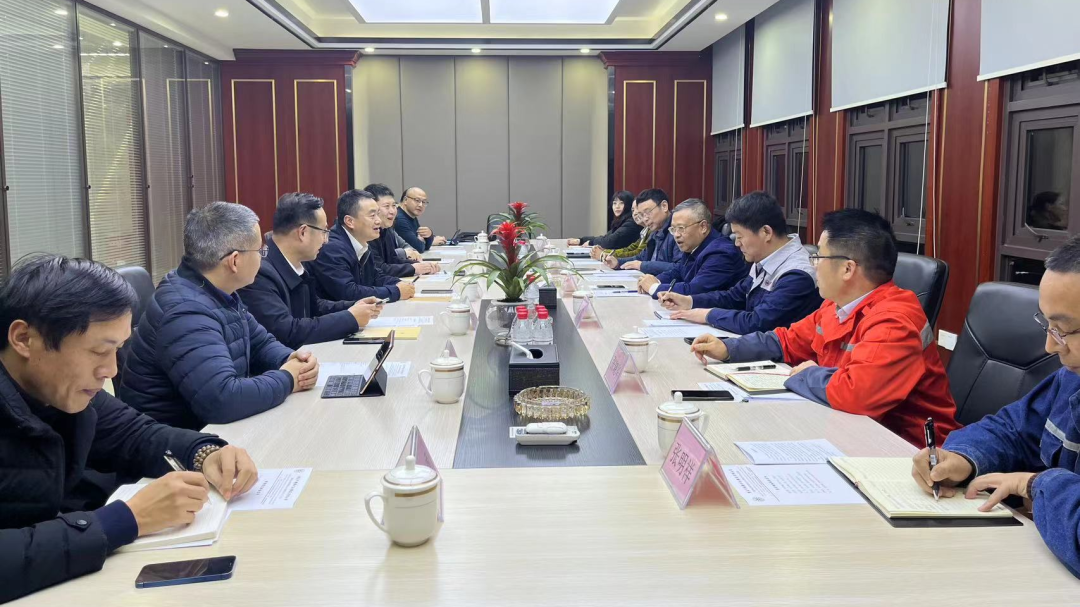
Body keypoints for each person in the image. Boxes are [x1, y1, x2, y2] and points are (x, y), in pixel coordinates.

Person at [0, 255, 260, 602]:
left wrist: (205, 453)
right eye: (99, 351)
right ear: (24, 339)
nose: (111, 370)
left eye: (118, 350)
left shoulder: (63, 392)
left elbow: (135, 434)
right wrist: (125, 519)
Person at [690, 209, 958, 446]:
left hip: (907, 451)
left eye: (819, 256)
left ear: (847, 269)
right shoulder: (835, 305)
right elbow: (787, 340)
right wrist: (729, 348)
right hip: (844, 429)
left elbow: (856, 394)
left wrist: (808, 374)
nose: (813, 264)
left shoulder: (894, 321)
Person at [911, 234, 1080, 578]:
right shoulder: (1071, 379)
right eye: (1047, 325)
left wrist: (1034, 485)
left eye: (1062, 330)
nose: (1050, 347)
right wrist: (963, 458)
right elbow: (1012, 429)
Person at [120, 202, 318, 430]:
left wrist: (291, 360)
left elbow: (260, 342)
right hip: (177, 440)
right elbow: (222, 400)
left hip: (213, 429)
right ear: (234, 261)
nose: (263, 257)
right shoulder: (185, 312)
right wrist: (289, 378)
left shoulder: (217, 290)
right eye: (259, 251)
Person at [659, 191, 822, 334]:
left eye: (739, 236)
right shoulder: (765, 258)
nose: (737, 243)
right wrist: (690, 301)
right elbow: (734, 296)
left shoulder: (796, 274)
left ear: (766, 232)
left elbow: (758, 322)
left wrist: (708, 315)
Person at [239, 192, 384, 349]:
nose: (326, 240)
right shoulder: (259, 274)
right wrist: (350, 318)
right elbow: (288, 332)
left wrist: (354, 306)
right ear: (303, 232)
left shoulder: (297, 263)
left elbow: (315, 306)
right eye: (324, 231)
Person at [312, 189, 416, 303]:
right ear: (349, 221)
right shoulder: (332, 248)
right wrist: (395, 291)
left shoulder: (362, 241)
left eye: (378, 214)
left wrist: (399, 283)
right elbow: (348, 292)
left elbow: (375, 276)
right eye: (372, 215)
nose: (378, 220)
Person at [637, 199, 747, 298]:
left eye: (681, 228)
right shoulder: (694, 246)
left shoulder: (720, 253)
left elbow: (695, 291)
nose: (676, 235)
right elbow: (678, 272)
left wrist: (654, 287)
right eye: (673, 229)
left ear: (703, 227)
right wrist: (654, 280)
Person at [364, 183, 440, 278]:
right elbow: (378, 269)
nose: (392, 211)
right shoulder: (367, 233)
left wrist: (420, 265)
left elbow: (392, 259)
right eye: (387, 206)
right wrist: (413, 268)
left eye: (394, 205)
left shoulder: (386, 229)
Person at [602, 188, 681, 275]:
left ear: (664, 206)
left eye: (648, 212)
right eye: (642, 215)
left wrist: (643, 265)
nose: (645, 219)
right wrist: (618, 262)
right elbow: (641, 258)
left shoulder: (677, 231)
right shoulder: (655, 231)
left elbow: (680, 268)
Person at [568, 191, 640, 251]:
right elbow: (605, 237)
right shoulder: (620, 222)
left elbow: (610, 241)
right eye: (614, 203)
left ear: (630, 205)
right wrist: (581, 240)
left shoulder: (631, 223)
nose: (617, 206)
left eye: (621, 203)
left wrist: (591, 242)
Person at [394, 186, 446, 252]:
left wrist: (429, 235)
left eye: (424, 202)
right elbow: (418, 247)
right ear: (405, 200)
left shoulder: (411, 216)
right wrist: (429, 241)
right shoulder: (399, 219)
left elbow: (425, 246)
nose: (421, 205)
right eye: (417, 200)